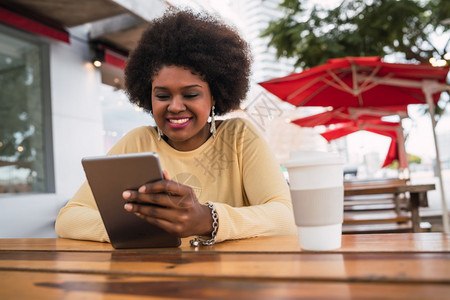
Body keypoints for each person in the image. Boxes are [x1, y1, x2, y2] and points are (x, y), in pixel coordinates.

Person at [55, 9, 297, 245]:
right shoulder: (137, 142)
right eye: (162, 96)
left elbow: (286, 217)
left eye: (191, 94)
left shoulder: (238, 137)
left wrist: (209, 220)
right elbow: (68, 218)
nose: (175, 106)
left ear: (214, 97)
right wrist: (133, 229)